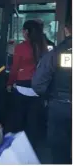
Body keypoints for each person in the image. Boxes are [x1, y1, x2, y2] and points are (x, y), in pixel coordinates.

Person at [32, 22, 72, 164]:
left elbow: (38, 84)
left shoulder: (55, 53)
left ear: (67, 30)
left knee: (59, 149)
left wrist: (51, 95)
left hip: (60, 106)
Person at [5, 20, 48, 147]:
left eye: (23, 31)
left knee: (18, 119)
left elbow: (15, 68)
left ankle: (18, 147)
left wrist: (9, 83)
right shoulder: (44, 46)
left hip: (22, 87)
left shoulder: (21, 47)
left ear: (26, 32)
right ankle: (32, 148)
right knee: (33, 122)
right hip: (38, 88)